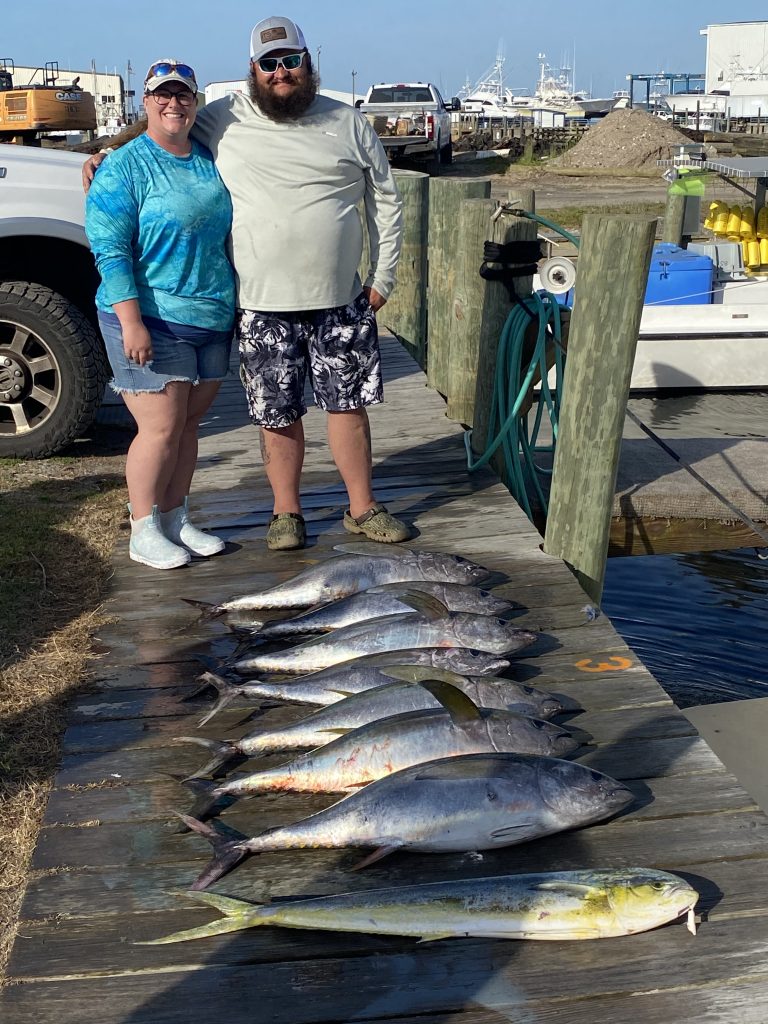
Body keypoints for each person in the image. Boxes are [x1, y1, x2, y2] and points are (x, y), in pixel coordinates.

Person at [86, 16, 409, 551]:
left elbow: (385, 202)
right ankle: (286, 513)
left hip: (342, 299)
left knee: (348, 406)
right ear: (252, 70)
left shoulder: (348, 121)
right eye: (269, 63)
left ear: (308, 62)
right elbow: (165, 124)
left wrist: (384, 277)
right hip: (261, 303)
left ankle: (363, 507)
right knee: (276, 413)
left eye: (291, 60)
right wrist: (107, 153)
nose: (281, 72)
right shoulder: (225, 115)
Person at [85, 59, 236, 569]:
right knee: (160, 428)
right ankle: (143, 527)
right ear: (145, 102)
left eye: (183, 95)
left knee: (188, 426)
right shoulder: (123, 166)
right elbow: (110, 250)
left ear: (196, 101)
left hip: (211, 315)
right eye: (162, 95)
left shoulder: (207, 157)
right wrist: (131, 322)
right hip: (149, 317)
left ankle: (174, 517)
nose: (174, 104)